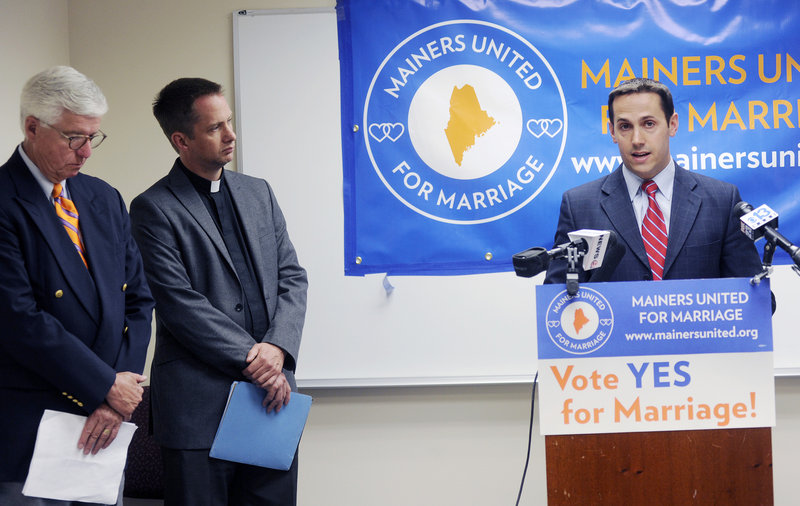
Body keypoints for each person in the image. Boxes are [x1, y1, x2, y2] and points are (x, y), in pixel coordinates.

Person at [129, 78, 308, 506]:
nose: (230, 135)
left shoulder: (258, 192)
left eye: (228, 122)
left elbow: (292, 277)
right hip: (197, 411)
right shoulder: (152, 207)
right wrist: (258, 361)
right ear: (181, 140)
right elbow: (178, 303)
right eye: (214, 128)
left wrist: (278, 350)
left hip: (270, 400)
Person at [0, 66, 154, 504]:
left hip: (104, 423)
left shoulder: (102, 197)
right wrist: (105, 385)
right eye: (74, 137)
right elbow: (18, 319)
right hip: (32, 425)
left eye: (94, 137)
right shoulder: (3, 200)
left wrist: (118, 396)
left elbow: (139, 301)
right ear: (32, 127)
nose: (86, 151)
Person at [544, 77, 763, 284]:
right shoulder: (579, 206)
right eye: (625, 126)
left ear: (672, 124)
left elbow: (755, 300)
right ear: (612, 131)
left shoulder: (722, 201)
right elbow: (558, 303)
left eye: (648, 124)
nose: (637, 140)